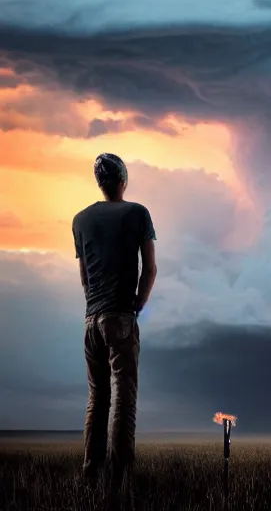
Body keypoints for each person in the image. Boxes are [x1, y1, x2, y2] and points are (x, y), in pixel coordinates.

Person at [72, 153, 157, 506]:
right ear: (122, 180)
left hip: (91, 321)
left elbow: (84, 279)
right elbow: (150, 270)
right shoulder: (138, 213)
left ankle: (90, 474)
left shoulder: (80, 220)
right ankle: (120, 481)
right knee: (124, 398)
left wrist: (96, 307)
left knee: (97, 399)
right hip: (120, 318)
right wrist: (137, 303)